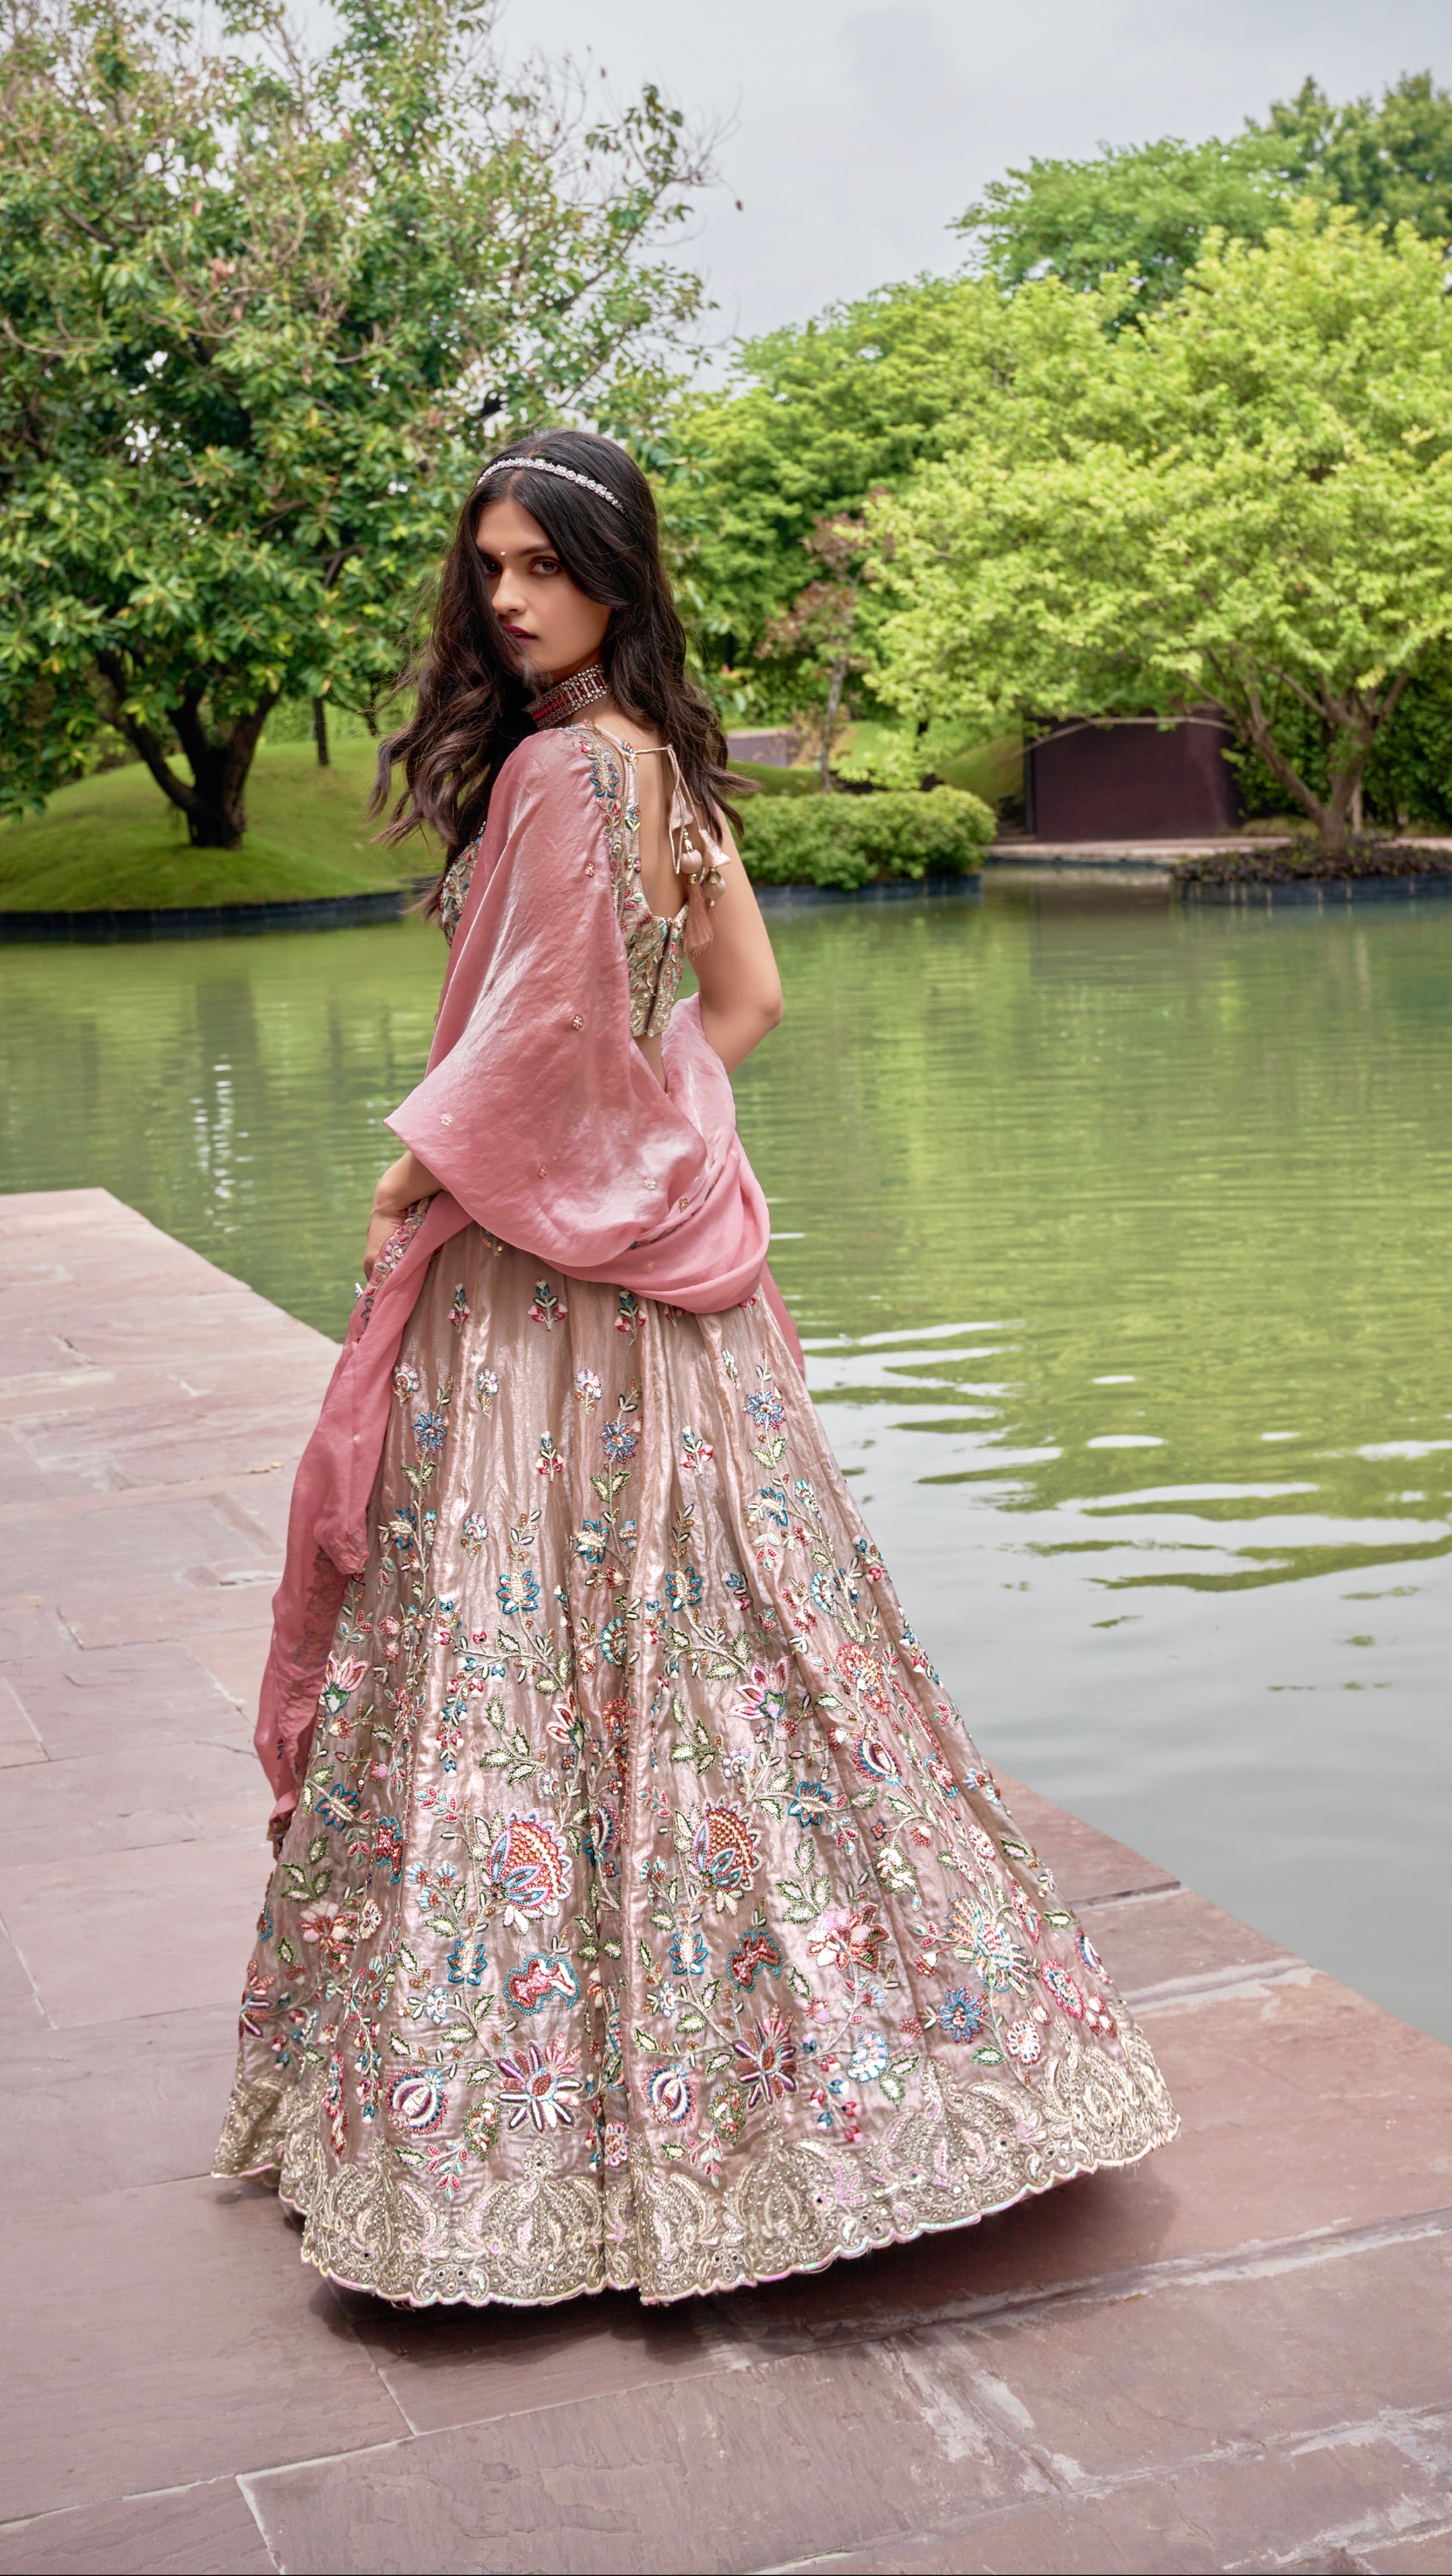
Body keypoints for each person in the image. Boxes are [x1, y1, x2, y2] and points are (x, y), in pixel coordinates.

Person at [216, 430, 1177, 2308]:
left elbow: (550, 1027)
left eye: (539, 566)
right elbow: (739, 1005)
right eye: (485, 565)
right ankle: (859, 2076)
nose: (503, 597)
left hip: (542, 1293)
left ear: (613, 574)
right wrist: (660, 1149)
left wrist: (421, 1169)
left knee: (522, 1654)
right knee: (723, 1646)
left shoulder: (572, 767)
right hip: (671, 1287)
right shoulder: (659, 763)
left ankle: (522, 2135)